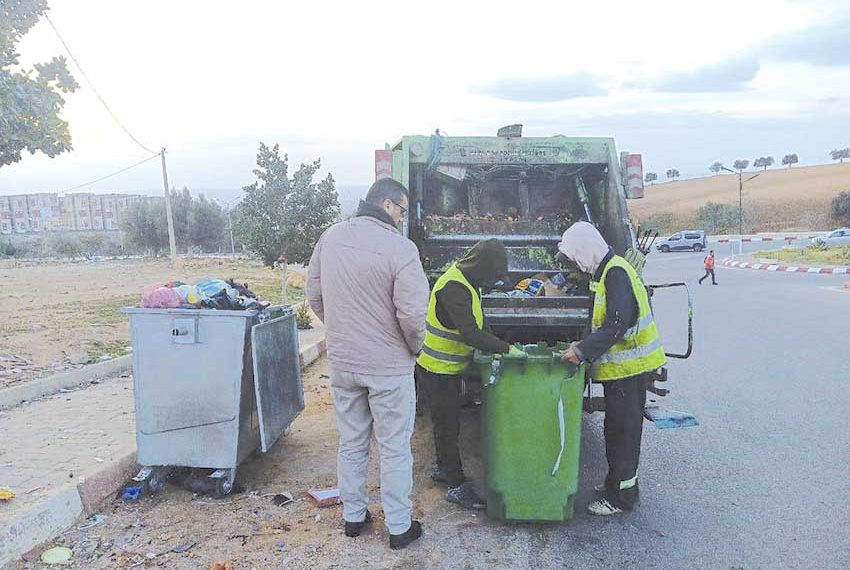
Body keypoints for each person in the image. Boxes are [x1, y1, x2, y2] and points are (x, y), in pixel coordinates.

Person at [306, 178, 429, 549]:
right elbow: (411, 315)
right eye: (403, 210)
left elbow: (313, 293)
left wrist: (342, 332)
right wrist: (415, 348)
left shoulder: (330, 237)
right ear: (389, 205)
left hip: (344, 363)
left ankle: (353, 517)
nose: (403, 217)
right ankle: (398, 527)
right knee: (393, 446)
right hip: (389, 367)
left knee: (352, 441)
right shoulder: (401, 249)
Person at [558, 222, 667, 516]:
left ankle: (622, 498)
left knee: (624, 433)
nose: (577, 264)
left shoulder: (616, 273)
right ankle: (615, 486)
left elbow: (618, 323)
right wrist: (584, 343)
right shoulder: (608, 271)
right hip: (621, 372)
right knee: (615, 431)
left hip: (630, 371)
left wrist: (582, 351)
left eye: (575, 255)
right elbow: (605, 322)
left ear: (586, 248)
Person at [415, 238, 526, 509]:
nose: (493, 282)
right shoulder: (454, 287)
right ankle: (455, 483)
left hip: (449, 368)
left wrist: (496, 342)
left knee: (445, 423)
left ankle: (444, 468)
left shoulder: (468, 282)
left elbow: (481, 324)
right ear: (481, 267)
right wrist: (507, 349)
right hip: (437, 369)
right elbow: (471, 333)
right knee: (447, 424)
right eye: (492, 276)